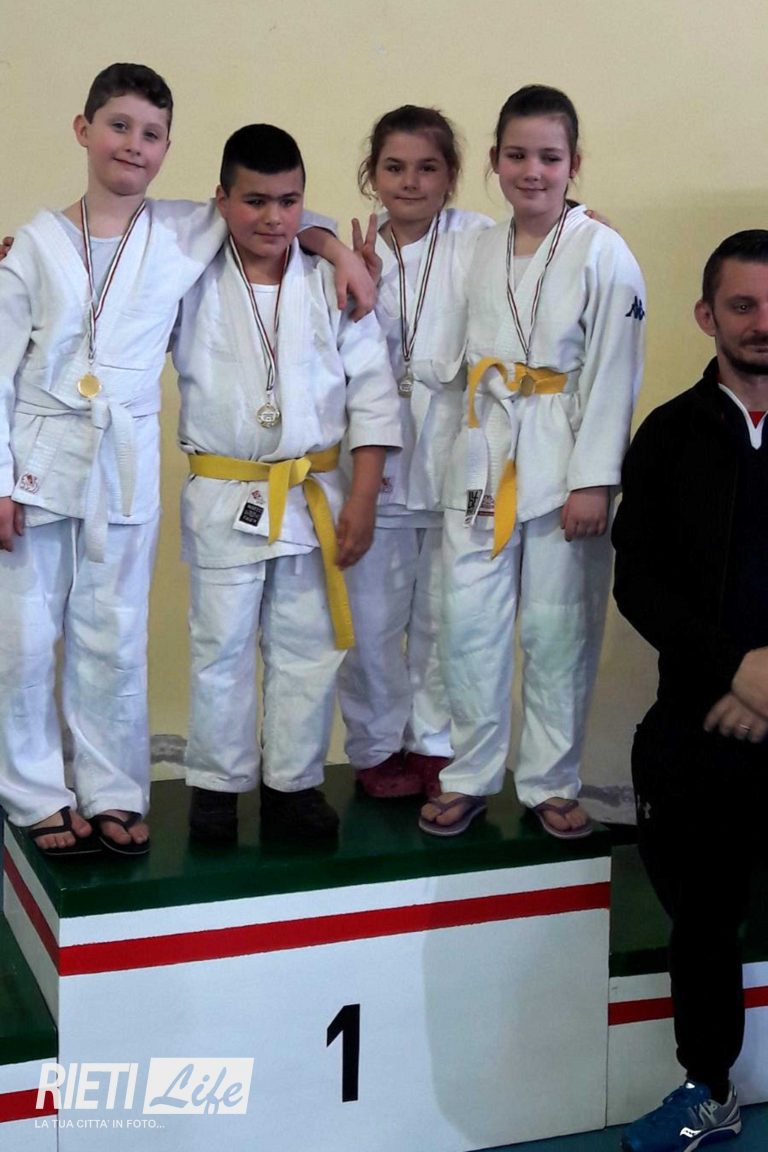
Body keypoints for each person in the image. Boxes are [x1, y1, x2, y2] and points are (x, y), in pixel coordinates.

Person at [0, 63, 374, 858]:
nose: (133, 145)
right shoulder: (32, 245)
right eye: (119, 126)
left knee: (113, 634)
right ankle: (34, 793)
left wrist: (338, 248)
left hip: (124, 460)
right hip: (37, 453)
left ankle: (112, 792)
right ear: (83, 130)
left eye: (152, 133)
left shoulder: (182, 230)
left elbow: (281, 213)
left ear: (168, 149)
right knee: (24, 639)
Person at [420, 85, 645, 838]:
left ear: (574, 162)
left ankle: (550, 781)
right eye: (517, 155)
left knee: (557, 631)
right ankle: (468, 772)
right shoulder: (481, 246)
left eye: (549, 156)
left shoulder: (602, 250)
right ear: (494, 161)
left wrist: (594, 481)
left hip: (563, 457)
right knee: (467, 624)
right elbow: (451, 356)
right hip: (484, 454)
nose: (533, 171)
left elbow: (615, 370)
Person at [177, 124, 401, 843]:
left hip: (315, 493)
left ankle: (293, 785)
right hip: (226, 491)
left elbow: (373, 394)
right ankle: (216, 789)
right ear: (221, 199)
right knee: (220, 647)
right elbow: (120, 253)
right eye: (254, 201)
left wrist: (362, 498)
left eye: (289, 201)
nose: (274, 218)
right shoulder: (188, 275)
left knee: (309, 645)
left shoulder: (331, 282)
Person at [614, 230, 768, 1152]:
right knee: (703, 911)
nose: (762, 324)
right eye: (743, 305)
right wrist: (732, 671)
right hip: (704, 720)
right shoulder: (670, 435)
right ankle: (709, 1086)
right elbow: (640, 582)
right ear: (708, 316)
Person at [337, 105, 493, 800]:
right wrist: (340, 260)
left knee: (444, 619)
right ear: (372, 175)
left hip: (454, 457)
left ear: (451, 175)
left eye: (428, 168)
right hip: (374, 461)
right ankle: (375, 748)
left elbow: (547, 237)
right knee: (371, 623)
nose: (410, 182)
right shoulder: (347, 251)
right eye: (394, 167)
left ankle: (434, 744)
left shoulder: (481, 239)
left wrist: (588, 222)